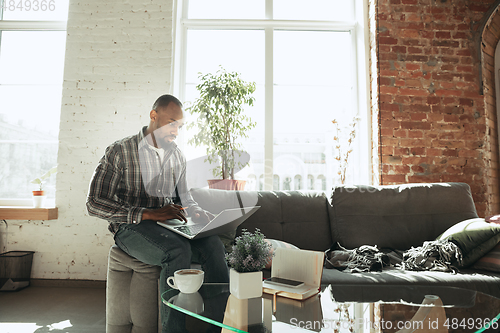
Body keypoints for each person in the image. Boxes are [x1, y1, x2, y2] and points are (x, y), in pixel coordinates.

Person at [86, 94, 229, 332]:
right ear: (154, 116)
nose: (176, 130)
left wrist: (197, 212)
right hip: (130, 228)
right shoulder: (120, 151)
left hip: (168, 226)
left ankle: (218, 327)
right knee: (176, 251)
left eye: (179, 126)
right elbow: (94, 203)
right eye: (171, 122)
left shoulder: (177, 155)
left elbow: (185, 199)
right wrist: (149, 214)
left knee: (214, 245)